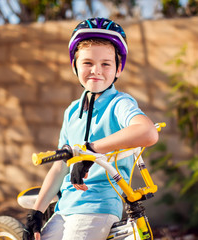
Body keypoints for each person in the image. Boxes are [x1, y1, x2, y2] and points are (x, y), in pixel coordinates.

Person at [23, 17, 159, 240]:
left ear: (118, 69)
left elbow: (147, 132)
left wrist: (90, 150)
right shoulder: (72, 111)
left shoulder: (119, 104)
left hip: (98, 207)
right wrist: (36, 213)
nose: (96, 70)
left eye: (106, 64)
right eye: (87, 63)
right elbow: (60, 166)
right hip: (64, 209)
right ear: (75, 67)